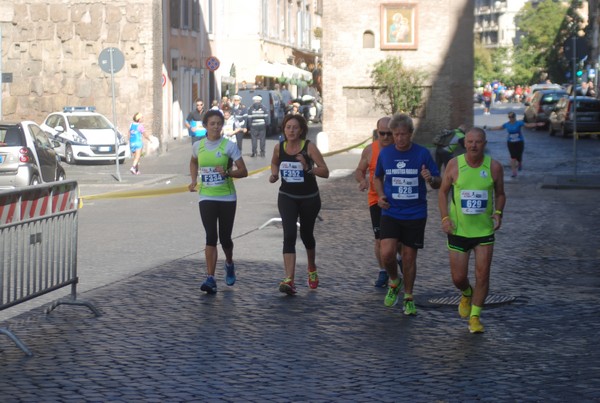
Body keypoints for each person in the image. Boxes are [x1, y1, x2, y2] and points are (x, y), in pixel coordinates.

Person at [438, 127, 506, 333]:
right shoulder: (453, 165)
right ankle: (467, 293)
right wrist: (445, 218)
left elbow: (501, 194)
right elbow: (442, 193)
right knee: (458, 278)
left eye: (478, 142)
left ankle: (475, 317)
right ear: (464, 144)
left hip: (484, 232)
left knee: (483, 276)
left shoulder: (494, 167)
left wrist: (498, 212)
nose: (473, 145)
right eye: (470, 142)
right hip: (459, 231)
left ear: (484, 144)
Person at [373, 113, 441, 315]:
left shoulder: (422, 154)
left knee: (409, 258)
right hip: (391, 211)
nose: (400, 139)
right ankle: (395, 280)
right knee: (387, 253)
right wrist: (381, 195)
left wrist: (430, 179)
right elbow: (377, 177)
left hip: (415, 213)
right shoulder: (386, 154)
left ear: (411, 133)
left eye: (403, 134)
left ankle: (409, 297)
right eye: (396, 135)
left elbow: (439, 182)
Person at [188, 110, 248, 294]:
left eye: (219, 123)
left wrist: (228, 173)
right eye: (212, 123)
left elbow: (243, 171)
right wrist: (193, 180)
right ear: (205, 126)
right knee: (210, 236)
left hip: (227, 197)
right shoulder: (198, 146)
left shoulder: (229, 146)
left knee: (225, 238)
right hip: (206, 196)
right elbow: (193, 162)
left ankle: (229, 263)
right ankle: (210, 278)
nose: (215, 126)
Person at [268, 114, 329, 295]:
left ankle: (311, 267)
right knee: (289, 235)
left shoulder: (309, 147)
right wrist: (274, 174)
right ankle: (289, 279)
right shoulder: (280, 147)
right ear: (284, 129)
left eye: (295, 127)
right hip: (287, 196)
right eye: (288, 127)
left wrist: (308, 168)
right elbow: (274, 162)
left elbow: (325, 171)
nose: (291, 131)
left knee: (306, 234)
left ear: (301, 130)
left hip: (309, 197)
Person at [354, 116, 403, 288]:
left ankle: (398, 259)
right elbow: (359, 170)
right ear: (377, 132)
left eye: (390, 133)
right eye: (382, 133)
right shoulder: (370, 150)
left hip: (399, 199)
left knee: (399, 239)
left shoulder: (401, 149)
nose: (386, 137)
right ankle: (383, 271)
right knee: (380, 238)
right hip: (376, 199)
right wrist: (362, 180)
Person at [484, 111, 542, 178]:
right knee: (513, 157)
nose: (511, 118)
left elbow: (527, 125)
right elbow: (499, 128)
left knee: (519, 155)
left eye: (512, 117)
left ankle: (520, 162)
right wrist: (489, 128)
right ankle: (514, 172)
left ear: (515, 117)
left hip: (519, 142)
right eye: (509, 117)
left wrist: (537, 124)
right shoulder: (507, 124)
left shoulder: (519, 123)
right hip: (511, 143)